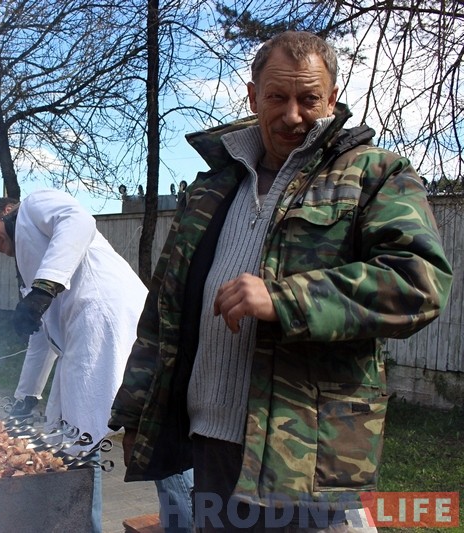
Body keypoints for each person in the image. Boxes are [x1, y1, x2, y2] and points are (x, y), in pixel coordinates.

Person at [109, 30, 452, 532]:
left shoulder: (374, 174)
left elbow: (418, 281)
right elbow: (165, 308)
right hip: (212, 447)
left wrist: (286, 298)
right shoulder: (211, 187)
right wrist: (137, 407)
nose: (292, 114)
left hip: (304, 456)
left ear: (332, 98)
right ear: (253, 96)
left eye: (308, 98)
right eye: (277, 97)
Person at [0, 189, 148, 533]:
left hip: (102, 317)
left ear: (7, 210)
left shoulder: (33, 206)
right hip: (93, 328)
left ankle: (87, 527)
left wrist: (43, 288)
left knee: (78, 439)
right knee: (70, 436)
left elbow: (79, 221)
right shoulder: (31, 266)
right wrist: (27, 396)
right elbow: (42, 338)